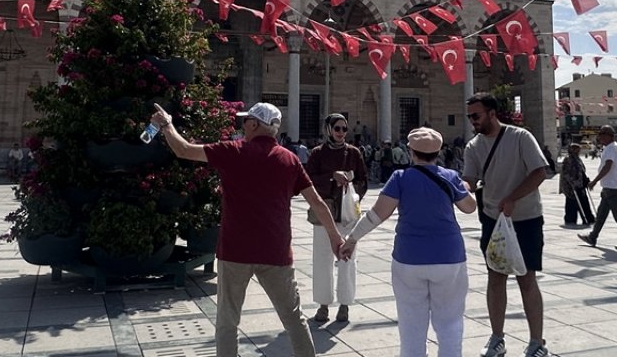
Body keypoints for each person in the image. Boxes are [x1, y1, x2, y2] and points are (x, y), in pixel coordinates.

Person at [152, 102, 342, 357]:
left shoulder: (234, 151)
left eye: (245, 122)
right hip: (275, 253)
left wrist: (166, 124)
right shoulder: (290, 159)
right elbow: (317, 203)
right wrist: (334, 237)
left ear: (254, 125)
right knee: (293, 318)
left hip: (235, 252)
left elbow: (183, 149)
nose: (242, 126)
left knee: (228, 321)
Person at [340, 127, 477, 357]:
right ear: (438, 152)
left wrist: (352, 238)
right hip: (449, 258)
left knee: (411, 325)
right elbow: (469, 207)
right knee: (450, 322)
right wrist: (465, 188)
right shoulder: (450, 176)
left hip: (408, 259)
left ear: (411, 152)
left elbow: (376, 214)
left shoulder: (400, 178)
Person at [461, 92, 551, 357]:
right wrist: (460, 189)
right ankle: (497, 338)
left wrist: (512, 197)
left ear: (491, 113)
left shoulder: (520, 137)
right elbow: (469, 177)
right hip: (493, 219)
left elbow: (539, 172)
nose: (472, 122)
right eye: (469, 117)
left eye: (475, 116)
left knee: (527, 279)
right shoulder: (473, 146)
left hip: (525, 219)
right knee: (495, 278)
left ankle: (537, 342)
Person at [305, 113, 369, 323]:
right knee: (322, 259)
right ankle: (323, 304)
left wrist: (350, 184)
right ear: (328, 129)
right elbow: (308, 180)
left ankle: (345, 304)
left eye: (344, 129)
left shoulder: (353, 153)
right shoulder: (317, 153)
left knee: (347, 258)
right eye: (337, 128)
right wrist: (332, 177)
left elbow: (363, 181)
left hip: (348, 214)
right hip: (325, 213)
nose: (341, 133)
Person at [579, 126, 617, 252]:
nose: (600, 137)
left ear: (609, 136)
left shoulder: (611, 148)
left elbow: (608, 166)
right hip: (609, 187)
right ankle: (593, 237)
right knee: (601, 214)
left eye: (602, 134)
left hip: (612, 187)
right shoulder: (611, 147)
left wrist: (594, 181)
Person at [558, 146, 594, 227]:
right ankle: (570, 219)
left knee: (583, 201)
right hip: (571, 186)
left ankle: (588, 218)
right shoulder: (568, 160)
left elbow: (581, 170)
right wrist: (572, 183)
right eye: (576, 149)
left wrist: (585, 180)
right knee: (572, 202)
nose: (578, 151)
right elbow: (566, 173)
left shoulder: (578, 159)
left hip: (580, 184)